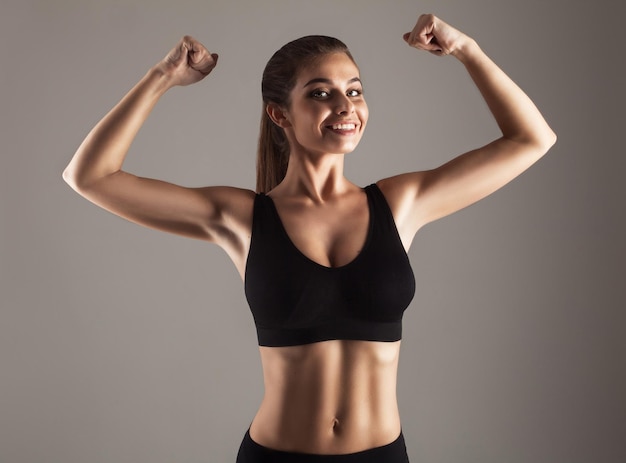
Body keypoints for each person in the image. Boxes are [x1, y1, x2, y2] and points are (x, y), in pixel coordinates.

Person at [63, 12, 556, 463]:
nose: (345, 105)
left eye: (355, 90)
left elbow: (531, 138)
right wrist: (162, 77)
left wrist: (465, 49)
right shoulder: (242, 217)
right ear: (281, 114)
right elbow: (91, 177)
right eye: (321, 93)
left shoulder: (400, 203)